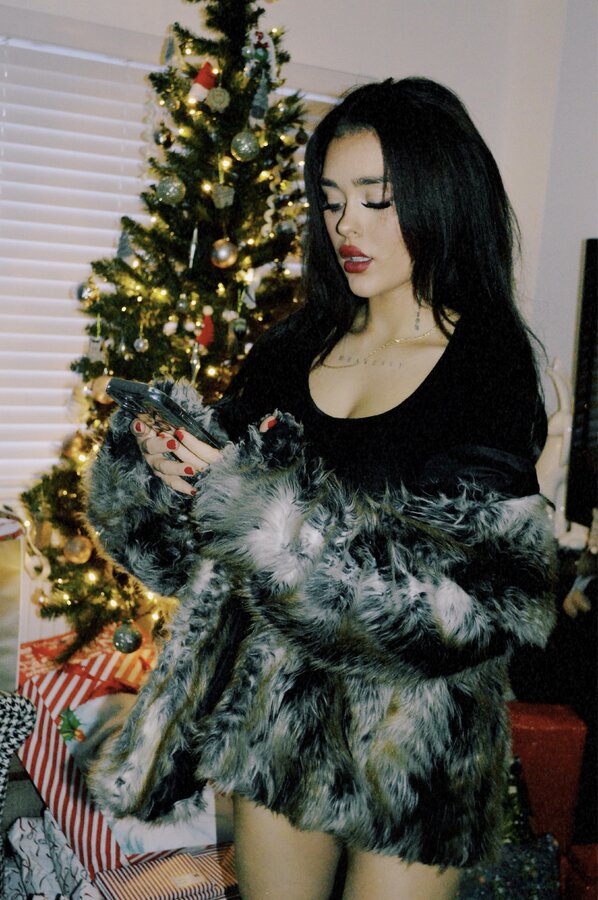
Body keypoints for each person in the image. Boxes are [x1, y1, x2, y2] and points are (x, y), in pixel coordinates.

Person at [86, 77, 557, 899]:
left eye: (377, 200)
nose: (347, 227)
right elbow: (187, 560)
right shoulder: (287, 352)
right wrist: (169, 476)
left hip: (416, 744)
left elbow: (468, 612)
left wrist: (248, 507)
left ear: (441, 197)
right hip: (282, 716)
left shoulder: (489, 372)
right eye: (332, 201)